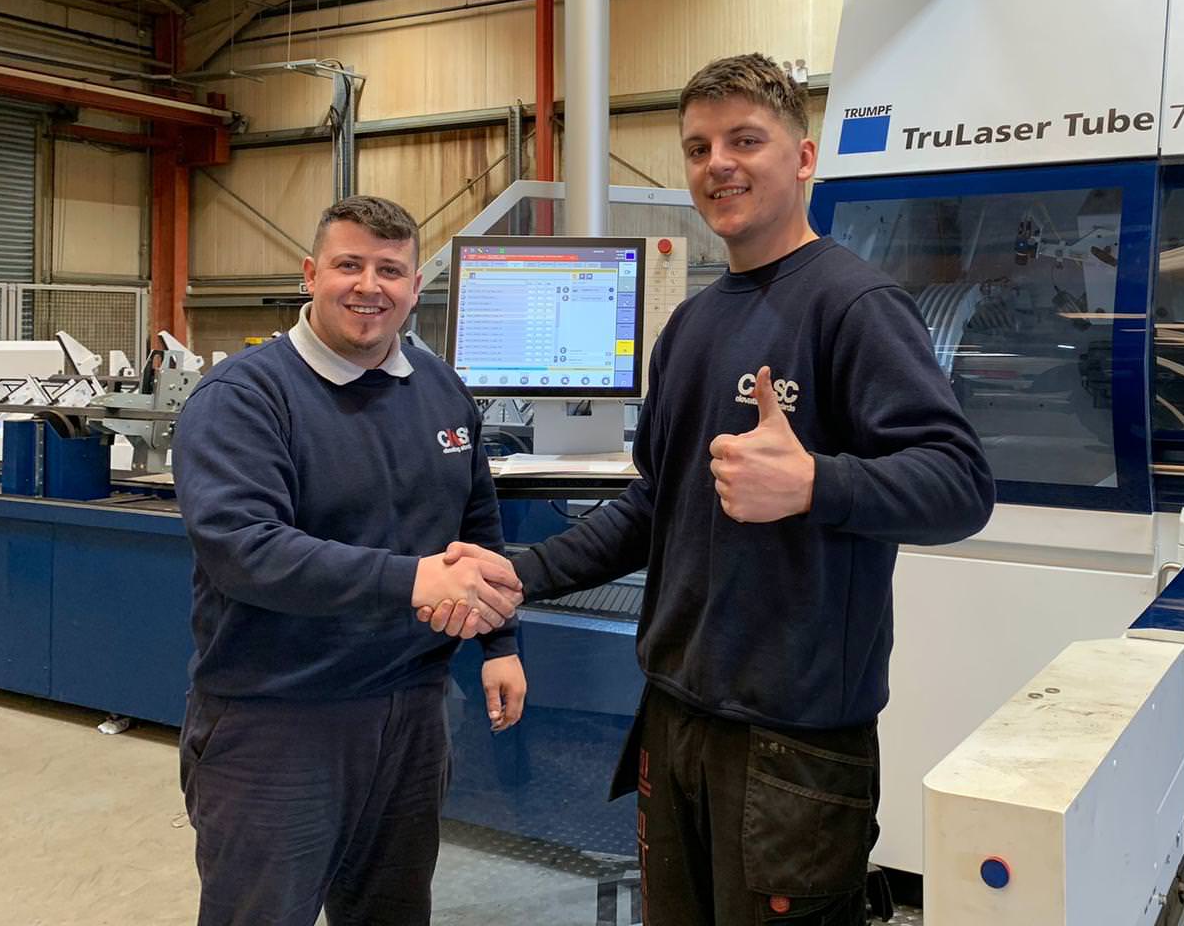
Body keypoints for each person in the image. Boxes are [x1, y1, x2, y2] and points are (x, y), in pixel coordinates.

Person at [426, 54, 995, 924]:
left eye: (745, 140)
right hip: (674, 716)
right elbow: (653, 506)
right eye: (698, 148)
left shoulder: (855, 306)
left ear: (803, 158)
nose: (718, 164)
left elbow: (960, 484)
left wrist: (816, 482)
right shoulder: (691, 325)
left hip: (792, 743)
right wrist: (522, 572)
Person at [173, 194, 526, 926]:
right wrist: (413, 579)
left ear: (415, 287)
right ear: (310, 274)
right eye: (349, 265)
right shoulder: (245, 396)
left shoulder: (439, 388)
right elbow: (246, 549)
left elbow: (476, 521)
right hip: (279, 720)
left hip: (414, 714)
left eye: (390, 270)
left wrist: (500, 642)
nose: (370, 286)